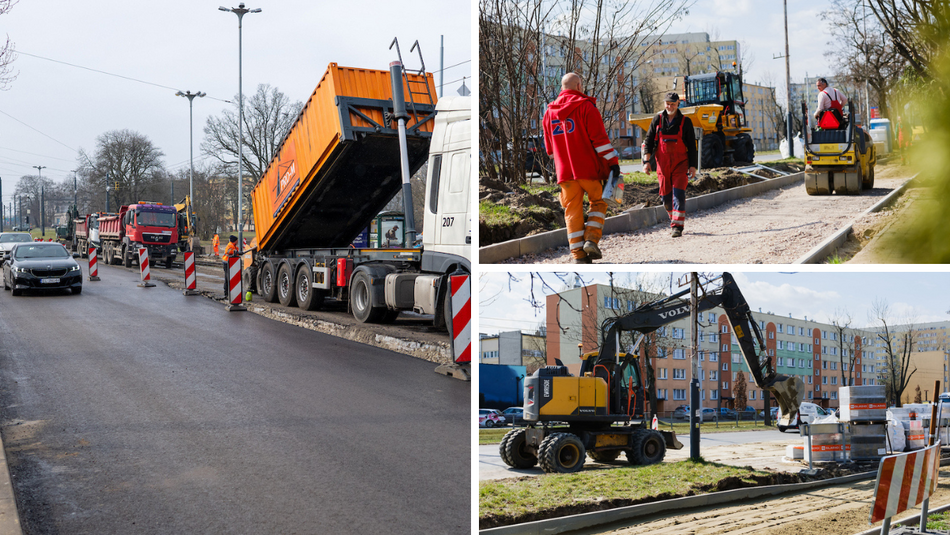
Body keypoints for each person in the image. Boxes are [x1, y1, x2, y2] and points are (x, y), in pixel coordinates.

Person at [542, 72, 620, 264]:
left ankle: (578, 256)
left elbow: (550, 151)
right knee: (599, 202)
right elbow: (600, 142)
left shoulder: (549, 113)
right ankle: (591, 239)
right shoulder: (586, 107)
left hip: (565, 174)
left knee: (572, 211)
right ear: (578, 86)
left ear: (562, 88)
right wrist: (613, 162)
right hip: (588, 170)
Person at [642, 92, 697, 238]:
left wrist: (692, 166)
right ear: (664, 103)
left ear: (678, 103)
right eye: (667, 104)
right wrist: (646, 162)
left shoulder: (686, 122)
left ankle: (677, 227)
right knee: (666, 198)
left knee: (678, 194)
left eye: (673, 104)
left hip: (680, 164)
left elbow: (692, 146)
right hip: (663, 165)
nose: (670, 106)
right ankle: (674, 218)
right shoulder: (657, 120)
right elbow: (648, 141)